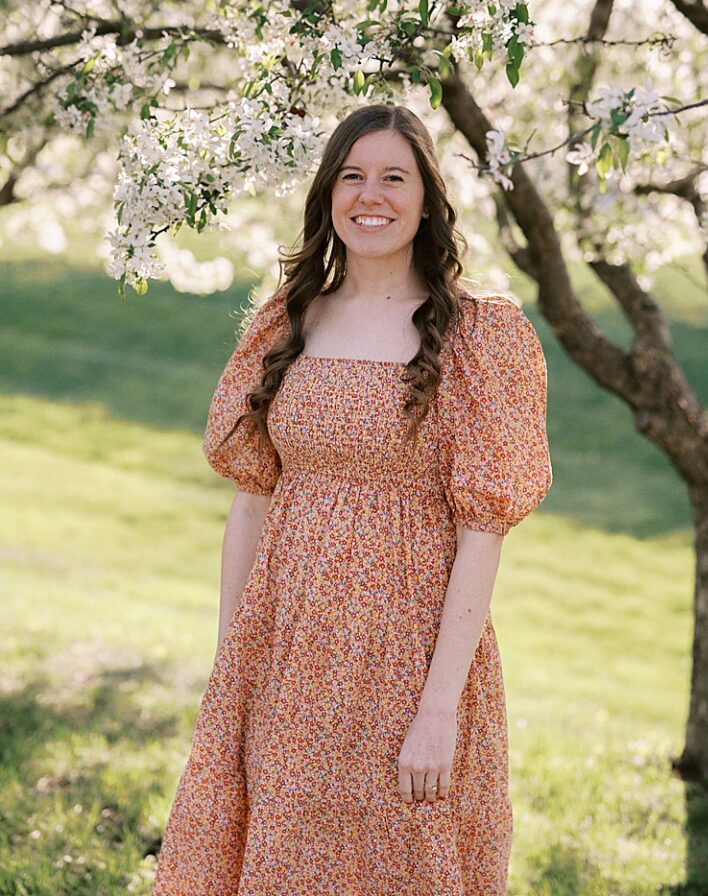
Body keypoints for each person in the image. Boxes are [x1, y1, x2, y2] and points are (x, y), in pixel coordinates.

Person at [151, 102, 552, 896]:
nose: (371, 195)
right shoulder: (287, 322)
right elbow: (251, 502)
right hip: (289, 661)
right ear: (328, 195)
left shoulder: (480, 336)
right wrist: (236, 664)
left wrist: (439, 710)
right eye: (352, 176)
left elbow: (484, 530)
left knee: (402, 864)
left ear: (429, 199)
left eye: (394, 177)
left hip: (410, 666)